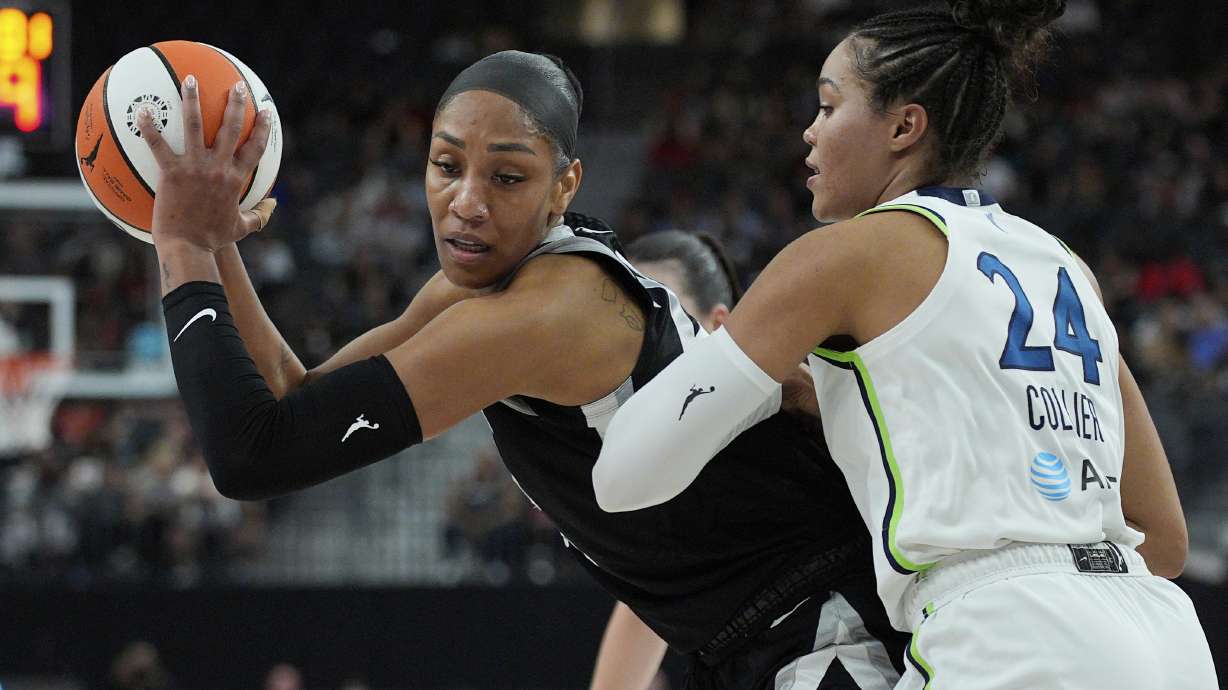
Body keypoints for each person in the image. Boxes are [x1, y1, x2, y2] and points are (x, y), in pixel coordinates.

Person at [137, 51, 904, 688]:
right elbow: (291, 397)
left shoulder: (547, 314)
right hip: (748, 633)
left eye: (507, 178)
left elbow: (250, 454)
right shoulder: (490, 280)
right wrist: (214, 239)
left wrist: (177, 244)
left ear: (565, 184)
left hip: (822, 630)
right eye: (445, 165)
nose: (465, 202)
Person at [592, 2, 1219, 689]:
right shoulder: (1065, 264)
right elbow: (1164, 538)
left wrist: (744, 379)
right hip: (1164, 637)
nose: (808, 132)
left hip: (1008, 640)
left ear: (903, 126)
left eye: (829, 107)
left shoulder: (845, 253)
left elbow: (621, 476)